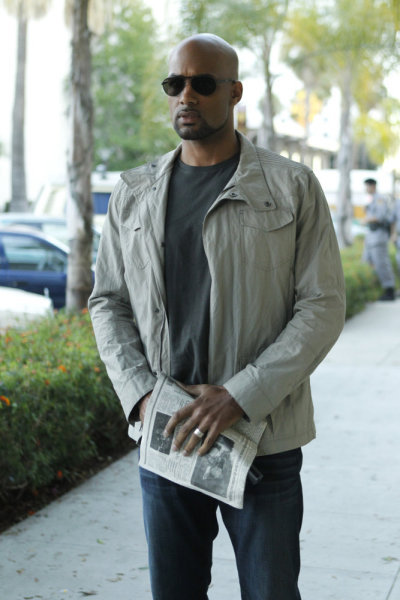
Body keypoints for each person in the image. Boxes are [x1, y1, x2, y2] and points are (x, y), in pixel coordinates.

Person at [88, 33, 346, 600]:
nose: (186, 95)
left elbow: (322, 305)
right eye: (174, 83)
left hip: (263, 440)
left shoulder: (291, 186)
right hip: (168, 435)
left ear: (234, 93)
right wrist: (141, 394)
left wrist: (240, 395)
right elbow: (108, 301)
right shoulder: (133, 192)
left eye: (202, 83)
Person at [362, 177, 396, 301]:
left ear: (372, 186)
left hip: (379, 235)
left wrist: (367, 219)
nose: (366, 189)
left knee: (382, 263)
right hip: (372, 236)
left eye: (367, 186)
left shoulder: (380, 198)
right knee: (367, 261)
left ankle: (389, 290)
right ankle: (373, 290)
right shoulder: (371, 199)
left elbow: (381, 216)